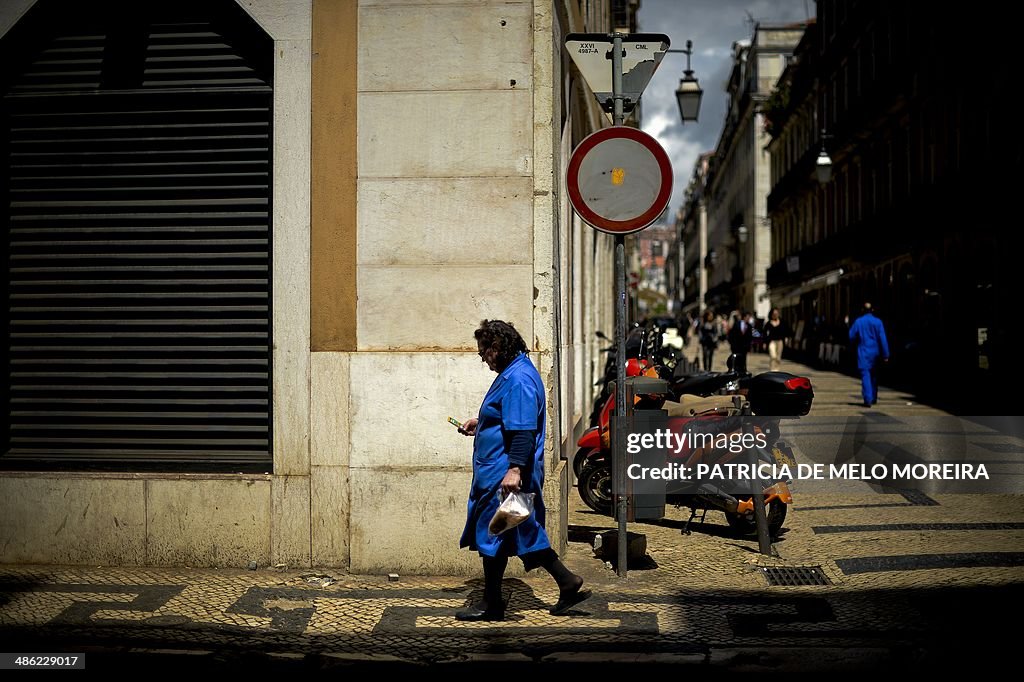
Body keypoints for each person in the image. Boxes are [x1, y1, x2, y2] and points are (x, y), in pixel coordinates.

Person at [455, 319, 591, 621]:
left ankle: (492, 605)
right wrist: (484, 424)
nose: (482, 359)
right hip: (504, 474)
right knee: (518, 533)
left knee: (495, 534)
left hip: (506, 478)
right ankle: (567, 582)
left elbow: (524, 431)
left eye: (483, 352)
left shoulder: (518, 379)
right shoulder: (515, 371)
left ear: (497, 347)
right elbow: (511, 419)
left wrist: (514, 470)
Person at [848, 302, 889, 407]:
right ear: (872, 310)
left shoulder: (858, 322)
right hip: (875, 352)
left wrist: (854, 343)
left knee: (865, 375)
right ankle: (874, 397)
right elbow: (882, 339)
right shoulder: (878, 322)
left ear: (862, 310)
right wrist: (885, 354)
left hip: (863, 351)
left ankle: (868, 398)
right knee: (874, 375)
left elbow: (851, 336)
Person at [763, 308, 791, 372]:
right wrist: (764, 343)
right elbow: (764, 333)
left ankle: (777, 370)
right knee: (773, 356)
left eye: (776, 313)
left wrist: (786, 338)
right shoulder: (768, 323)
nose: (775, 315)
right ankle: (772, 370)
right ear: (771, 314)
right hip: (772, 341)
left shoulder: (782, 322)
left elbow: (786, 330)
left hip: (780, 341)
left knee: (778, 357)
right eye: (774, 314)